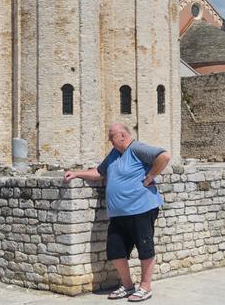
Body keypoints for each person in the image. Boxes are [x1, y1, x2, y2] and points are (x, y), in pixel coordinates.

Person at [64, 123, 171, 303]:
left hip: (141, 208)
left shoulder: (137, 148)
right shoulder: (114, 155)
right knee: (115, 250)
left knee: (145, 248)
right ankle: (128, 286)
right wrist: (76, 173)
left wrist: (151, 176)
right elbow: (99, 172)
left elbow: (164, 156)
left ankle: (145, 287)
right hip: (119, 213)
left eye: (111, 137)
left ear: (122, 136)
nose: (109, 140)